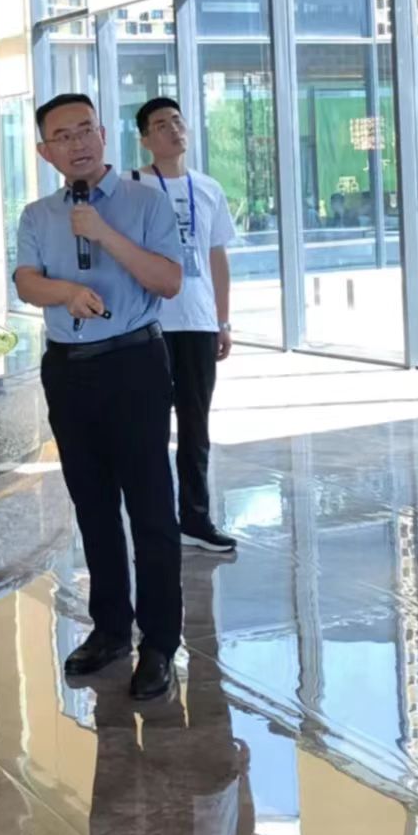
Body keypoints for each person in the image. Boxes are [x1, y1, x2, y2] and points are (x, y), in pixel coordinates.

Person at [14, 94, 185, 701]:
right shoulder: (37, 215)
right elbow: (26, 282)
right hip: (68, 370)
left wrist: (103, 233)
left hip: (134, 363)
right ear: (45, 152)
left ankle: (159, 642)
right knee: (92, 504)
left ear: (104, 135)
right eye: (63, 136)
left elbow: (168, 280)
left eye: (85, 129)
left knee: (151, 507)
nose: (77, 143)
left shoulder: (146, 201)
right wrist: (64, 293)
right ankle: (111, 628)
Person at [129, 99, 238, 555]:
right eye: (160, 125)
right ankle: (155, 521)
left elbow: (216, 256)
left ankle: (195, 518)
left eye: (177, 121)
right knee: (148, 429)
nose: (173, 129)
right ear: (145, 140)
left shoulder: (208, 188)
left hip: (197, 323)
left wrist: (222, 320)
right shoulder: (131, 187)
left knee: (195, 426)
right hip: (146, 323)